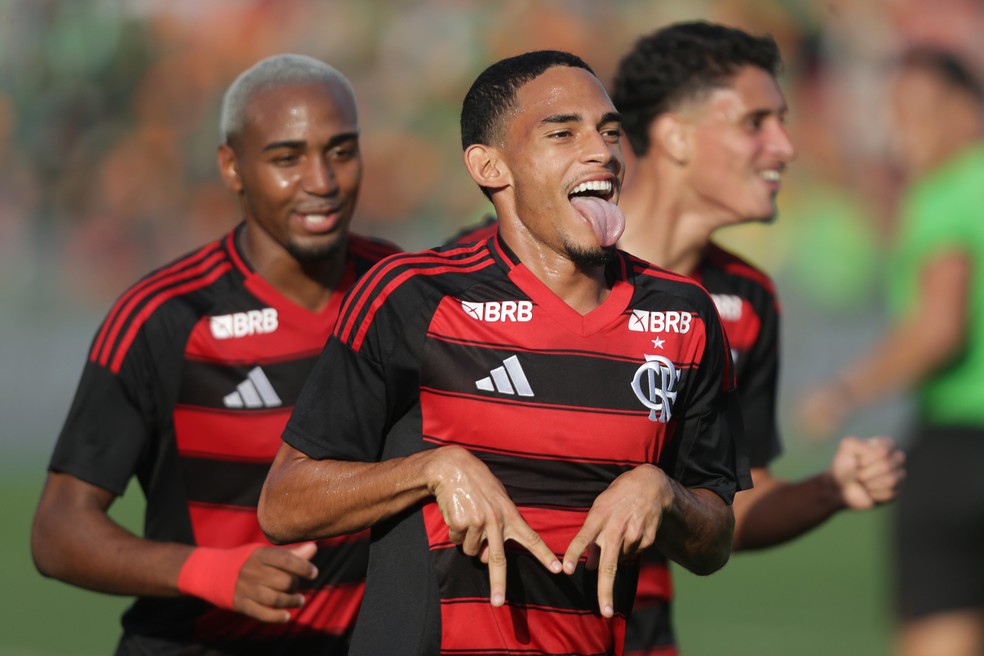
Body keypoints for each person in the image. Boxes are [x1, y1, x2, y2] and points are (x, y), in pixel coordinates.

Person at [258, 50, 750, 655]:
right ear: (489, 165)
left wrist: (664, 493)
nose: (602, 150)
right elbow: (284, 505)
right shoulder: (411, 296)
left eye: (609, 131)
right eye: (563, 132)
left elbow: (714, 540)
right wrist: (432, 469)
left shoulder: (685, 314)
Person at [30, 54, 399, 655]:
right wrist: (212, 572)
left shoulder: (398, 292)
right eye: (287, 158)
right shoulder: (164, 316)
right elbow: (57, 530)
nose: (322, 181)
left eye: (340, 150)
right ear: (232, 167)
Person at [609, 21, 906, 655]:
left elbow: (730, 507)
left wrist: (830, 489)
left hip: (637, 627)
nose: (785, 146)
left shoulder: (746, 299)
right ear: (675, 136)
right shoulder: (532, 264)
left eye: (784, 120)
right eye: (755, 122)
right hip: (495, 622)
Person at [798, 47, 984, 656]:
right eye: (898, 113)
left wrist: (846, 390)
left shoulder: (948, 194)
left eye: (922, 111)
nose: (907, 131)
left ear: (967, 111)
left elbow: (939, 326)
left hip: (962, 448)